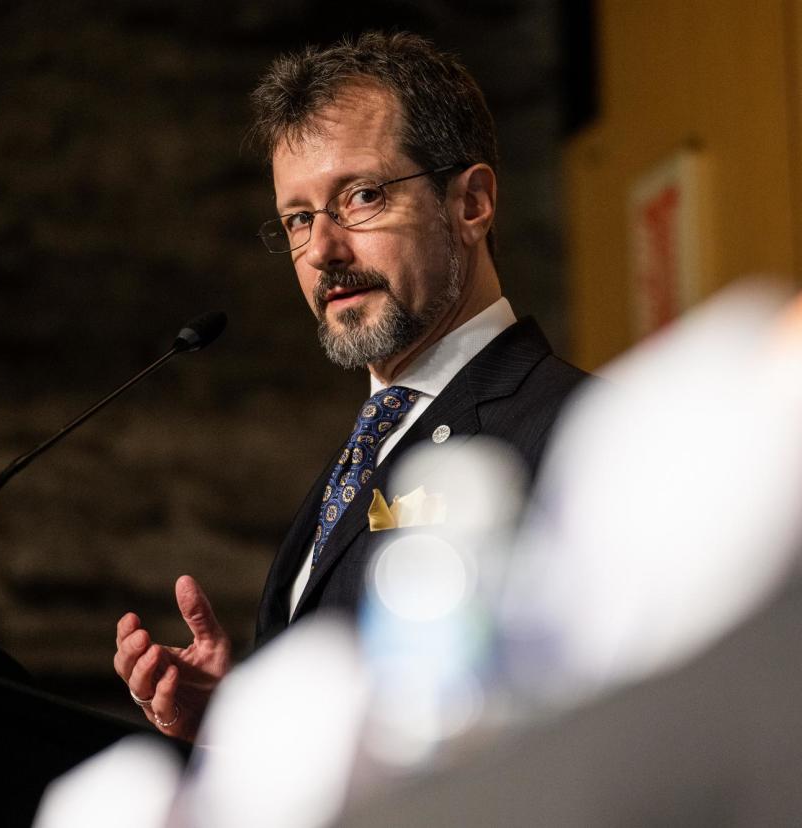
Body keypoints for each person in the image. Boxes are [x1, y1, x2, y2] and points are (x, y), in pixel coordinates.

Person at [113, 31, 588, 741]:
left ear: (471, 203)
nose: (323, 252)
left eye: (362, 197)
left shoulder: (578, 432)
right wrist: (237, 722)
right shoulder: (367, 446)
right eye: (298, 219)